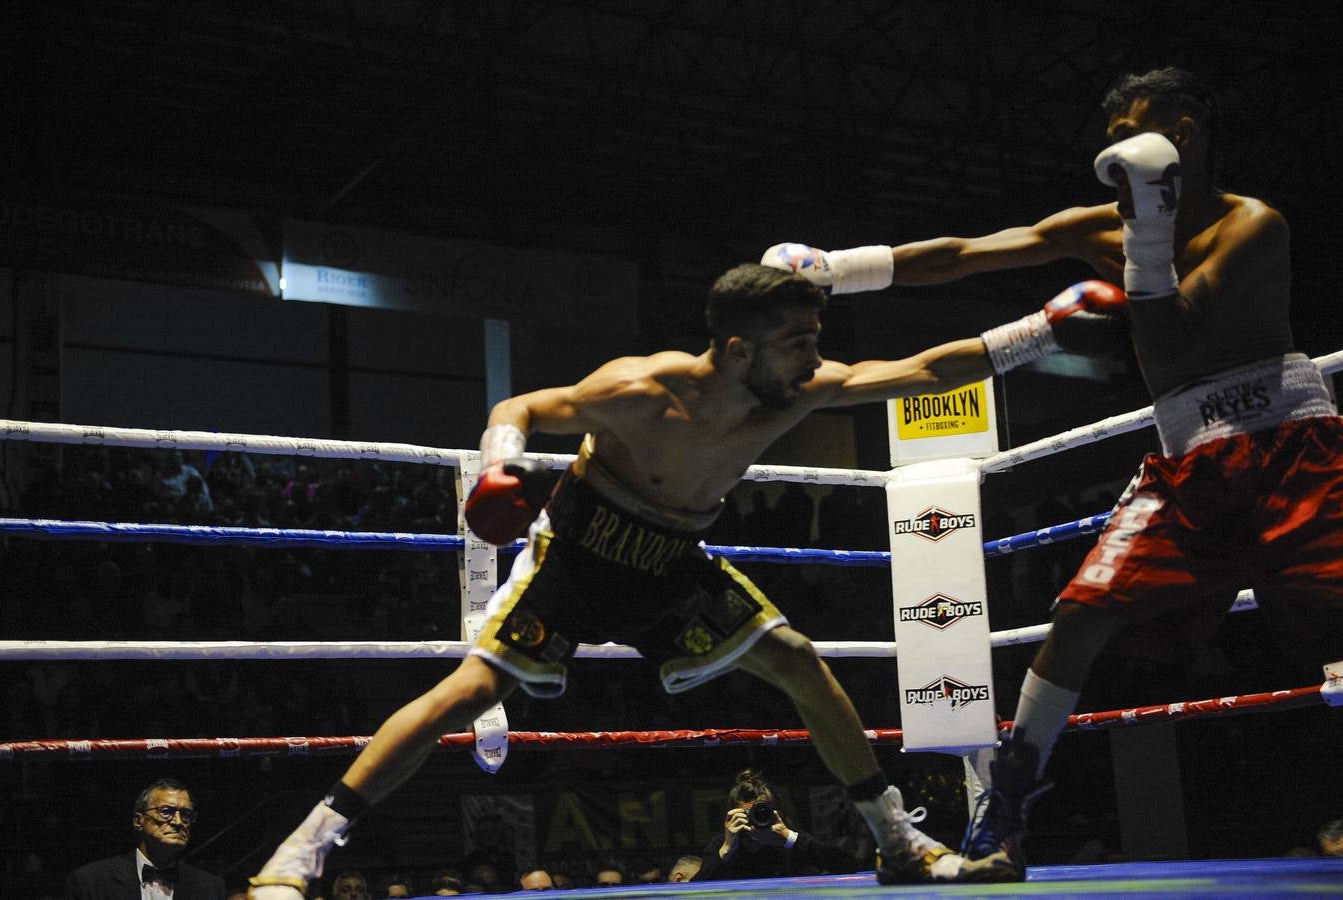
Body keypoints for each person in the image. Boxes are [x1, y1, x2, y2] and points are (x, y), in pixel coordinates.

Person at [248, 262, 1129, 897]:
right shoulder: (641, 389)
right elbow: (517, 406)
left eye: (816, 338)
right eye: (798, 342)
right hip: (582, 552)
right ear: (739, 349)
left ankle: (895, 840)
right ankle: (300, 854)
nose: (814, 357)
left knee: (798, 659)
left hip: (673, 562)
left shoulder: (802, 390)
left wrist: (1040, 330)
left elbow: (927, 372)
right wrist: (499, 465)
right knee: (467, 691)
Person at [768, 66, 1343, 882]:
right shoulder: (1103, 222)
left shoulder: (1256, 226)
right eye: (1110, 144)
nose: (1115, 156)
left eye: (1130, 135)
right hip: (1190, 459)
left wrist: (1147, 234)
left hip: (1292, 447)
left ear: (1184, 133)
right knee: (1078, 616)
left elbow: (1176, 341)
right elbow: (969, 255)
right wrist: (840, 269)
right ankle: (1001, 820)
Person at [66, 776, 226, 900]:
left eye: (186, 814)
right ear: (138, 821)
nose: (178, 822)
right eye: (166, 811)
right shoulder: (91, 881)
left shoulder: (211, 887)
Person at [694, 768, 862, 881]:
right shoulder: (721, 845)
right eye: (747, 814)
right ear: (732, 817)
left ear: (777, 814)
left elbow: (848, 864)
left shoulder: (790, 843)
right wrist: (726, 850)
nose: (754, 821)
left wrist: (789, 839)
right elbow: (692, 892)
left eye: (761, 814)